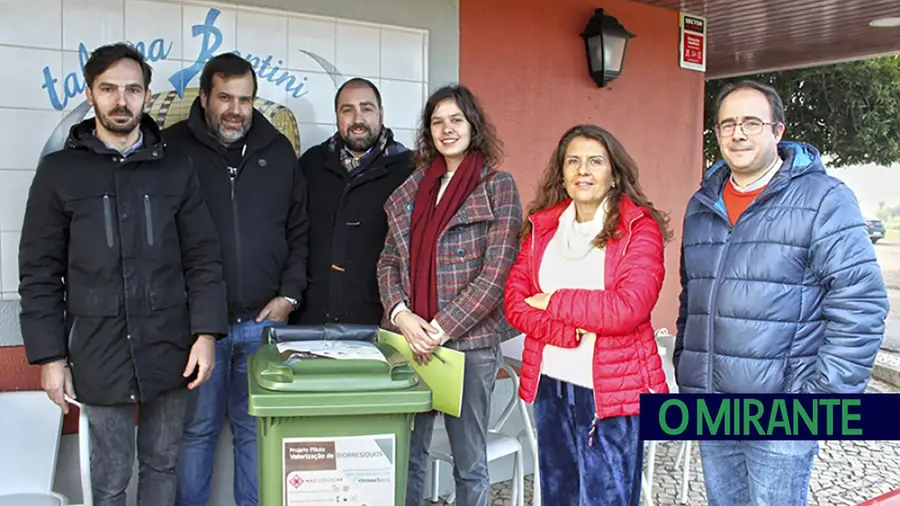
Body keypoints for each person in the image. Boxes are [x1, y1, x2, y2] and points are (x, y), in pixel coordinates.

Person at [18, 43, 227, 506]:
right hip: (98, 349)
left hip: (171, 348)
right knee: (110, 479)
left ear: (148, 96)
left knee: (162, 464)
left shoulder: (175, 167)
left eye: (133, 89)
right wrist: (50, 358)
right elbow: (39, 272)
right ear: (90, 94)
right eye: (109, 89)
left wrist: (207, 334)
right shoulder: (59, 173)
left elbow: (203, 257)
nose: (121, 100)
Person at [674, 80, 889, 505]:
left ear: (778, 131)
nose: (738, 133)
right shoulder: (701, 206)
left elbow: (861, 304)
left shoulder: (824, 199)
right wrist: (687, 371)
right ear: (716, 134)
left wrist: (823, 400)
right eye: (727, 124)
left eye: (752, 122)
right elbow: (691, 300)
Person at [162, 53, 309, 506]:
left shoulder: (278, 150)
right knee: (197, 432)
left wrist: (288, 295)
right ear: (204, 97)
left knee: (256, 433)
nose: (235, 110)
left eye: (244, 99)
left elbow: (300, 231)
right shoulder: (171, 149)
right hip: (198, 329)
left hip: (264, 325)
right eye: (224, 97)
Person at [504, 124, 671, 505]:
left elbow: (627, 308)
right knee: (558, 495)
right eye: (573, 161)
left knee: (605, 498)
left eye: (595, 161)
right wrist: (567, 332)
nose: (583, 170)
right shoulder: (542, 228)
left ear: (614, 173)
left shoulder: (637, 229)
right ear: (561, 175)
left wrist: (554, 301)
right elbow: (515, 304)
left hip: (613, 392)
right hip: (552, 382)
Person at [378, 84, 523, 506]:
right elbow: (389, 261)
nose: (447, 129)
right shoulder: (412, 190)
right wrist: (403, 316)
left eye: (456, 119)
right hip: (409, 340)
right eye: (437, 121)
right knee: (409, 455)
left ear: (472, 125)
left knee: (469, 463)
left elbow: (496, 273)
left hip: (468, 349)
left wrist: (439, 329)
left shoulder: (498, 187)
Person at [296, 77, 415, 326]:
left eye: (366, 108)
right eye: (347, 110)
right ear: (337, 116)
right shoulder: (311, 164)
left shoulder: (409, 170)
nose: (357, 119)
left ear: (381, 114)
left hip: (380, 320)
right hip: (313, 317)